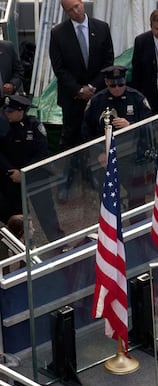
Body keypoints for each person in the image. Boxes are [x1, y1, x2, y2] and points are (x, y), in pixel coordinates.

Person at [82, 65, 154, 210]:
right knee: (108, 201)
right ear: (107, 83)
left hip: (132, 157)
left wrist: (131, 125)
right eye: (113, 85)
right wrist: (99, 153)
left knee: (137, 199)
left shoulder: (137, 98)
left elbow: (149, 127)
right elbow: (86, 132)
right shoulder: (97, 101)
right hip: (105, 158)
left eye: (120, 84)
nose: (117, 88)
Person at [49, 0, 114, 151]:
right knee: (71, 141)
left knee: (97, 137)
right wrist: (79, 90)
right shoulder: (58, 33)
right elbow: (59, 68)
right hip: (72, 99)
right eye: (71, 10)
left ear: (82, 3)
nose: (76, 11)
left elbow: (108, 60)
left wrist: (92, 87)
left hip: (98, 94)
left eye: (77, 6)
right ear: (66, 12)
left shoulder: (101, 28)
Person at [0, 95, 64, 241]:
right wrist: (10, 172)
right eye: (6, 111)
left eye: (11, 111)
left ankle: (58, 242)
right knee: (18, 216)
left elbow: (41, 153)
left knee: (46, 211)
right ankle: (21, 247)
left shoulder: (34, 126)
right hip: (11, 178)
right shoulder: (3, 126)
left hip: (35, 175)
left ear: (21, 111)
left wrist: (23, 172)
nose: (7, 114)